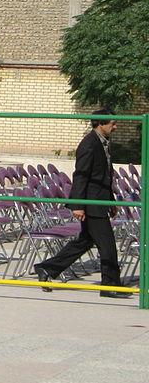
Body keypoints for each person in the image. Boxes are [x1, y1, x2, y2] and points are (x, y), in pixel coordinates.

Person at [34, 108, 130, 298]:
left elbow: (103, 177)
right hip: (91, 202)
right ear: (100, 124)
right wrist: (78, 204)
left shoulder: (104, 143)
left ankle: (47, 268)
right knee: (108, 245)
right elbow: (81, 176)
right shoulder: (89, 144)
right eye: (112, 124)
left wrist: (111, 201)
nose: (115, 127)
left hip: (100, 200)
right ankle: (110, 286)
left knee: (85, 241)